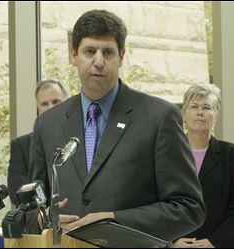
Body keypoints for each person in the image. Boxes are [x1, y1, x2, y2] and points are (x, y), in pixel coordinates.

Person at [29, 9, 206, 242]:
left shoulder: (160, 117)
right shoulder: (47, 124)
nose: (99, 62)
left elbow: (189, 208)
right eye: (90, 51)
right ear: (74, 55)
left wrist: (114, 220)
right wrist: (43, 218)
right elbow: (28, 207)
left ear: (121, 56)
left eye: (108, 52)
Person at [173, 83, 234, 248]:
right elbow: (155, 201)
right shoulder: (167, 153)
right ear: (184, 114)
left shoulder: (233, 155)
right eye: (194, 106)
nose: (200, 112)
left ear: (215, 117)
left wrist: (215, 242)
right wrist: (171, 241)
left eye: (207, 107)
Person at [7, 80, 68, 206]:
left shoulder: (81, 139)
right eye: (44, 104)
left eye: (56, 101)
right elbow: (16, 194)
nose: (51, 107)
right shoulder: (21, 146)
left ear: (67, 102)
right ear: (38, 108)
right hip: (41, 221)